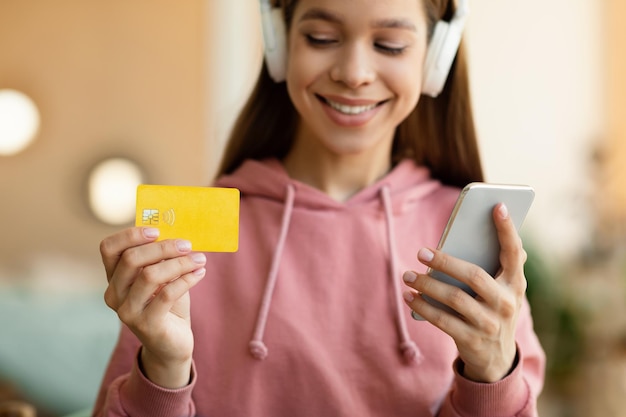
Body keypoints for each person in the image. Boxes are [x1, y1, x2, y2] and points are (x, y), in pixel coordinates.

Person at [93, 0, 546, 415]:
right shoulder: (196, 234)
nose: (353, 73)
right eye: (321, 38)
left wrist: (492, 377)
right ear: (278, 43)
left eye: (389, 44)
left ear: (435, 59)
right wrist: (163, 372)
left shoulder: (472, 236)